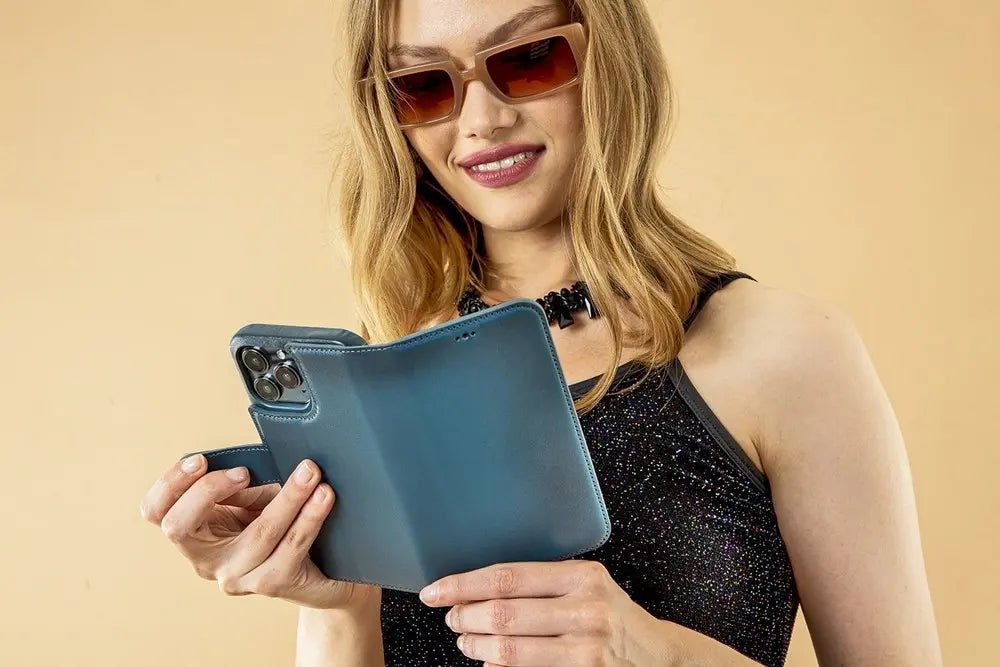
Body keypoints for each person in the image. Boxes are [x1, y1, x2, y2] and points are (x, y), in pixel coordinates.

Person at [139, 0, 944, 665]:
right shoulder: (387, 375)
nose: (483, 120)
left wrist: (652, 652)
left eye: (528, 59)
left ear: (609, 60)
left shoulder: (783, 353)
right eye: (423, 85)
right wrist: (335, 605)